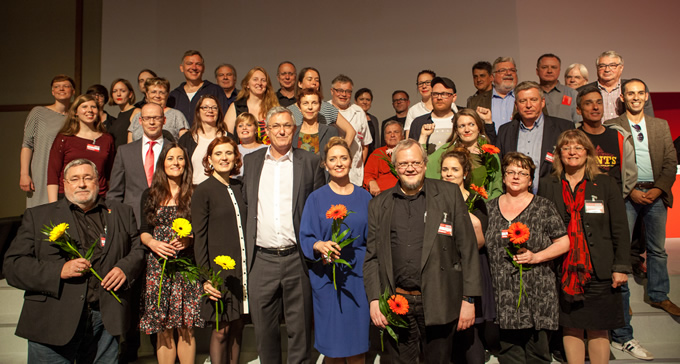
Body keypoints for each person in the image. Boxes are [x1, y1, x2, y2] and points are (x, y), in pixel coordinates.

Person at [4, 158, 145, 363]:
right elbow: (13, 266)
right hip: (52, 323)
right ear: (64, 184)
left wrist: (125, 268)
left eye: (88, 178)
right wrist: (59, 270)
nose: (82, 184)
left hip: (104, 323)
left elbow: (137, 249)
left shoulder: (122, 212)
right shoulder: (38, 216)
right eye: (75, 179)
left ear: (99, 182)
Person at [363, 138, 481, 363]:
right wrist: (374, 299)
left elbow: (467, 249)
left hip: (439, 301)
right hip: (397, 304)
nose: (410, 168)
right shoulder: (378, 205)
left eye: (415, 163)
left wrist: (469, 299)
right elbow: (372, 258)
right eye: (403, 164)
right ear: (395, 167)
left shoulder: (448, 194)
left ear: (425, 164)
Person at [538, 130, 631, 364]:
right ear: (559, 154)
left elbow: (619, 228)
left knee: (599, 328)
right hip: (564, 269)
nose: (572, 152)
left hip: (599, 267)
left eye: (578, 147)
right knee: (571, 327)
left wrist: (620, 266)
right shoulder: (549, 184)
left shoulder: (606, 183)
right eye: (566, 147)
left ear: (588, 152)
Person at [242, 106, 325, 363]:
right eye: (276, 126)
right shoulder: (251, 161)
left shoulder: (310, 162)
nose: (281, 130)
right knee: (264, 332)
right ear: (266, 130)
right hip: (261, 260)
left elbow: (318, 209)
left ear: (294, 129)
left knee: (299, 331)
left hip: (297, 259)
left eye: (287, 125)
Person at [606, 79, 678, 360]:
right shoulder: (613, 125)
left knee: (657, 249)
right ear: (623, 97)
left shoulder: (660, 125)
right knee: (622, 251)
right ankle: (624, 303)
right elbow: (610, 162)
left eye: (640, 93)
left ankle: (659, 294)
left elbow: (670, 161)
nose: (635, 97)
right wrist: (631, 191)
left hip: (656, 193)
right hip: (627, 195)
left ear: (646, 96)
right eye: (630, 93)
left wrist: (659, 188)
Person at [484, 152, 569, 363]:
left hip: (537, 294)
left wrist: (536, 257)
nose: (515, 176)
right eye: (510, 172)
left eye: (522, 173)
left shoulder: (543, 207)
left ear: (530, 180)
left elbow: (564, 242)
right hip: (502, 295)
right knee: (508, 355)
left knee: (538, 355)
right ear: (503, 177)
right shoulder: (489, 208)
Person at [300, 136, 372, 362]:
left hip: (357, 278)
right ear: (325, 164)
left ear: (351, 161)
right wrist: (319, 245)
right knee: (332, 348)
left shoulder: (365, 197)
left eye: (343, 158)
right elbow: (306, 236)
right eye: (333, 159)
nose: (339, 163)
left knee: (357, 346)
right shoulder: (316, 198)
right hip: (328, 280)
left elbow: (374, 240)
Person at [139, 143, 204, 364]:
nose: (175, 163)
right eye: (170, 158)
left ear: (186, 163)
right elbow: (143, 231)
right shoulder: (150, 194)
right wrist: (153, 244)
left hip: (186, 267)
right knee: (163, 329)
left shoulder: (196, 193)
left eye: (180, 158)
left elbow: (202, 230)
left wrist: (189, 238)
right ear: (162, 163)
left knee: (186, 327)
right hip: (158, 268)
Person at [439, 148, 498, 364]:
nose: (449, 173)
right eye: (445, 169)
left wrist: (465, 215)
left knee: (469, 331)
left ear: (465, 173)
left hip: (470, 268)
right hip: (444, 270)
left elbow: (481, 241)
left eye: (454, 169)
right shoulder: (436, 199)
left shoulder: (476, 200)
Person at [193, 136, 248, 364]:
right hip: (218, 272)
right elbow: (199, 238)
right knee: (221, 329)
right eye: (218, 154)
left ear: (236, 157)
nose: (224, 158)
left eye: (228, 153)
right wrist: (205, 278)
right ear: (209, 159)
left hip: (241, 268)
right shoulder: (203, 191)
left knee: (237, 327)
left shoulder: (240, 186)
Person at [497, 81, 574, 193]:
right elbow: (500, 168)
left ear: (542, 102)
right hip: (514, 198)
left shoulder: (563, 128)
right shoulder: (505, 130)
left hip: (552, 196)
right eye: (523, 101)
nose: (528, 105)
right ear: (516, 105)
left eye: (533, 100)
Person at [109, 102, 173, 228]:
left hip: (166, 221)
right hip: (132, 221)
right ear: (140, 121)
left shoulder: (176, 151)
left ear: (164, 120)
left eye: (156, 118)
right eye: (147, 118)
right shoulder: (125, 152)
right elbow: (115, 192)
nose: (152, 122)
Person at [421, 108, 502, 201]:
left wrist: (487, 206)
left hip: (481, 207)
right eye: (462, 126)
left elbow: (497, 187)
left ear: (478, 127)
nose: (467, 130)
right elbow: (424, 164)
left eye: (471, 124)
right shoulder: (448, 149)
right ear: (456, 130)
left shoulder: (489, 153)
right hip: (452, 203)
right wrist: (424, 137)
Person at [20, 74, 75, 208]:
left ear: (73, 91)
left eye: (66, 86)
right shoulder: (38, 112)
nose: (61, 89)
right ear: (52, 91)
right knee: (41, 213)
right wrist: (24, 174)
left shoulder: (75, 117)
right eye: (57, 86)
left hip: (66, 173)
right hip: (42, 171)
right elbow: (27, 144)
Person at [47, 95, 115, 202]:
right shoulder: (64, 138)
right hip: (68, 197)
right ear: (75, 112)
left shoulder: (107, 139)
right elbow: (52, 173)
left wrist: (111, 201)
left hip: (99, 198)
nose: (89, 110)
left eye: (93, 107)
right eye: (84, 106)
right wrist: (53, 206)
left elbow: (109, 175)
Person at [576, 85, 637, 197]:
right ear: (578, 110)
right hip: (581, 201)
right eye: (588, 103)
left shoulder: (619, 136)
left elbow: (631, 174)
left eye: (599, 102)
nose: (595, 107)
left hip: (614, 202)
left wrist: (620, 196)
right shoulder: (573, 137)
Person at [287, 66, 356, 146]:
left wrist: (341, 152)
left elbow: (351, 131)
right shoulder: (289, 111)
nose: (314, 82)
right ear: (300, 83)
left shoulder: (327, 107)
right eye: (309, 79)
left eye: (317, 80)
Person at [578, 51, 654, 120]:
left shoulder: (634, 88)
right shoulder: (581, 91)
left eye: (612, 65)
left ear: (621, 68)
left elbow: (648, 119)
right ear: (597, 68)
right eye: (602, 66)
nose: (607, 69)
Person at [328, 75, 373, 186]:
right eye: (340, 91)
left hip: (354, 175)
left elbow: (365, 145)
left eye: (348, 91)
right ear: (332, 91)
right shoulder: (325, 109)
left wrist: (359, 166)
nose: (344, 94)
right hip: (329, 173)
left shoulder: (358, 111)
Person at [178, 95, 233, 185]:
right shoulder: (187, 139)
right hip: (194, 191)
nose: (210, 111)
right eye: (205, 107)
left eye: (214, 108)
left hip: (222, 190)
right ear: (198, 112)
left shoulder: (229, 138)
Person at [167, 50, 230, 124]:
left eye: (198, 64)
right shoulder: (174, 95)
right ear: (181, 68)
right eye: (189, 63)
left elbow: (224, 119)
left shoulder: (215, 90)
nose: (194, 67)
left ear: (203, 68)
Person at [224, 66, 280, 144]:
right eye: (255, 79)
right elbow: (226, 136)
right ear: (247, 84)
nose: (259, 83)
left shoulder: (274, 108)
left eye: (263, 80)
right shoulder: (236, 107)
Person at [128, 77, 190, 142]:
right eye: (153, 92)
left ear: (167, 94)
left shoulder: (176, 115)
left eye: (162, 92)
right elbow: (129, 145)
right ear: (147, 94)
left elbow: (185, 143)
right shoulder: (138, 116)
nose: (157, 96)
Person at [407, 76, 458, 153]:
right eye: (435, 94)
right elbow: (412, 153)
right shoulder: (418, 123)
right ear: (431, 96)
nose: (439, 98)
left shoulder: (461, 122)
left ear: (454, 97)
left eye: (444, 94)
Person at [467, 57, 519, 133]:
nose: (508, 73)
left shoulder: (526, 98)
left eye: (512, 70)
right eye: (503, 71)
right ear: (492, 77)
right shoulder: (474, 102)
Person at [291, 88, 338, 161]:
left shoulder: (330, 132)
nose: (310, 107)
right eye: (305, 103)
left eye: (314, 103)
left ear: (319, 107)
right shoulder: (292, 132)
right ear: (299, 107)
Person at [536, 53, 580, 123]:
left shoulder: (572, 94)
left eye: (554, 67)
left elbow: (578, 123)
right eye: (544, 67)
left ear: (559, 71)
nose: (549, 71)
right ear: (537, 71)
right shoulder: (531, 94)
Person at [363, 120, 403, 196]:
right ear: (385, 138)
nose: (392, 135)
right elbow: (367, 174)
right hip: (382, 196)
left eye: (396, 132)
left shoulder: (408, 152)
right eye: (389, 133)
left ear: (402, 136)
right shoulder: (377, 153)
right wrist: (371, 182)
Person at [233, 112, 267, 178]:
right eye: (240, 126)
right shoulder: (232, 150)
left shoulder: (267, 149)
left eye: (248, 125)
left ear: (256, 129)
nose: (244, 128)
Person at [108, 78, 137, 149]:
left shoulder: (136, 112)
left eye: (122, 91)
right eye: (115, 91)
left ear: (130, 94)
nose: (118, 94)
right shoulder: (120, 114)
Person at [355, 87, 380, 155]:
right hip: (356, 156)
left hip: (372, 157)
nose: (365, 102)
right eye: (361, 99)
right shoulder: (352, 117)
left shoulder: (374, 119)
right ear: (355, 101)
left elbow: (376, 142)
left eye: (368, 100)